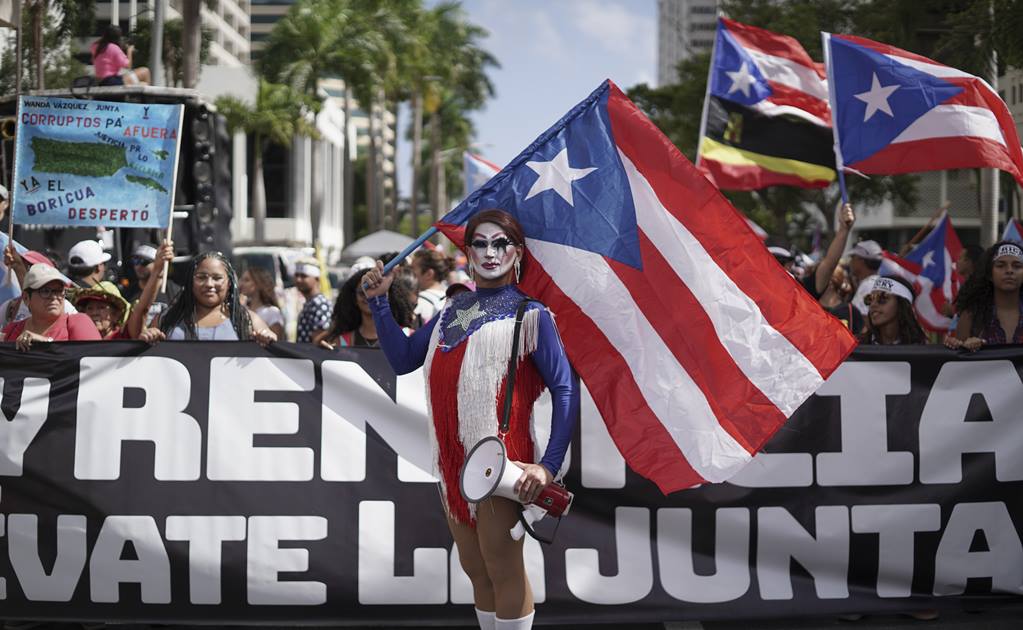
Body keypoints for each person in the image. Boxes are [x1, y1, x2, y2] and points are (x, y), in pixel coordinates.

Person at [361, 209, 578, 630]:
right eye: (480, 242)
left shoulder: (531, 315)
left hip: (503, 462)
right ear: (468, 250)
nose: (490, 252)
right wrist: (378, 303)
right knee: (475, 567)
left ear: (517, 252)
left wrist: (547, 466)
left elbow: (565, 389)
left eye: (501, 243)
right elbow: (404, 359)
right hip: (453, 466)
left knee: (502, 566)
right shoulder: (451, 309)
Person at [138, 251, 275, 346]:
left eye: (217, 278)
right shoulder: (166, 319)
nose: (209, 284)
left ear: (229, 283)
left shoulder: (248, 321)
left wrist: (269, 341)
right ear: (190, 282)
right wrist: (147, 339)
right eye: (201, 277)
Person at [945, 241, 1023, 351]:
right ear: (990, 274)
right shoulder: (971, 316)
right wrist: (962, 346)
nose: (1009, 270)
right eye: (1000, 265)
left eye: (1017, 266)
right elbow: (957, 362)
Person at [3, 264, 100, 349]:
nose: (54, 297)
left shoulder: (79, 322)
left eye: (59, 291)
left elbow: (94, 361)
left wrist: (47, 344)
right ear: (26, 298)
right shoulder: (11, 331)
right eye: (45, 291)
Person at [317, 268, 416, 348]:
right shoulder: (341, 342)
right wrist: (324, 352)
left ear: (389, 296)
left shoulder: (408, 336)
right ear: (354, 299)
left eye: (378, 291)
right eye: (362, 292)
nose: (369, 296)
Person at [1, 246, 78, 329]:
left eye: (32, 266)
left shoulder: (63, 306)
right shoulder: (10, 307)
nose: (31, 272)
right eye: (26, 266)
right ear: (26, 298)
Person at [858, 276, 927, 345]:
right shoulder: (857, 347)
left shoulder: (919, 349)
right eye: (870, 299)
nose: (873, 304)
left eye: (882, 298)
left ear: (901, 304)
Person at [239, 267, 286, 339]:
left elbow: (277, 341)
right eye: (241, 279)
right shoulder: (243, 309)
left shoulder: (272, 312)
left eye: (247, 280)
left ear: (259, 283)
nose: (241, 284)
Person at [294, 259, 331, 343]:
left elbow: (319, 339)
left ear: (317, 279)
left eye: (303, 276)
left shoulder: (320, 304)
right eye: (296, 275)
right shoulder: (310, 303)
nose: (298, 280)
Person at [412, 249, 453, 323]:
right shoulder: (452, 299)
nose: (409, 273)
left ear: (429, 274)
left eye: (412, 269)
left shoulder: (418, 303)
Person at [849, 239, 884, 315]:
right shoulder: (875, 283)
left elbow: (863, 319)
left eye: (852, 257)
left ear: (861, 260)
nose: (850, 261)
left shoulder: (868, 286)